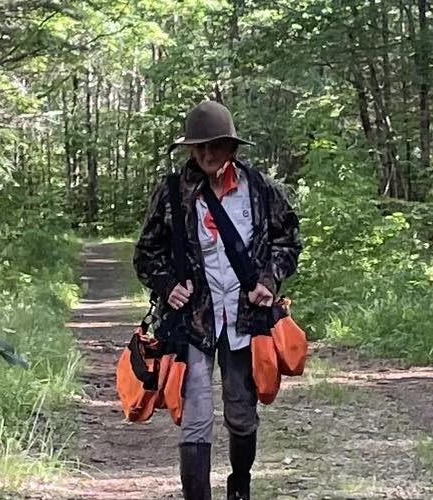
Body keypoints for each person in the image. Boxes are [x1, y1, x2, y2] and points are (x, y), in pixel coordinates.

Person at [133, 100, 301, 500]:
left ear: (232, 147)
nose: (207, 154)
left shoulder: (259, 189)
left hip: (246, 320)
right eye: (199, 147)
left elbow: (288, 240)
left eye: (216, 145)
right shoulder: (171, 192)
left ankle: (239, 486)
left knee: (241, 413)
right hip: (191, 321)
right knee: (195, 418)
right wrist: (166, 284)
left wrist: (269, 279)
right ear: (191, 149)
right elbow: (146, 254)